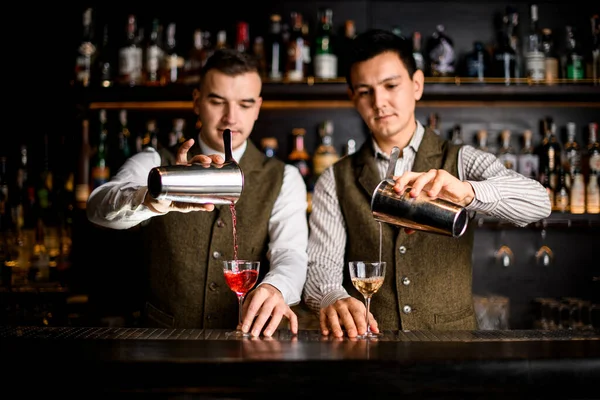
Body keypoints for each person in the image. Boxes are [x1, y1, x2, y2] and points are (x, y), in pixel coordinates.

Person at [303, 29, 552, 338]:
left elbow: (540, 202)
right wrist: (333, 297)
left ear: (417, 85)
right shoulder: (335, 178)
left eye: (391, 85)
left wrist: (469, 192)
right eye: (365, 91)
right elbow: (320, 267)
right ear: (352, 97)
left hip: (453, 348)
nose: (379, 101)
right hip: (369, 348)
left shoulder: (461, 160)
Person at [86, 49, 309, 337]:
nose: (231, 117)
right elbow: (97, 207)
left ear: (257, 107)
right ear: (196, 101)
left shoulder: (284, 177)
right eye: (217, 101)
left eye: (245, 104)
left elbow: (290, 253)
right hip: (162, 343)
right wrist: (152, 198)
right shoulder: (156, 162)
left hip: (246, 342)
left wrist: (275, 286)